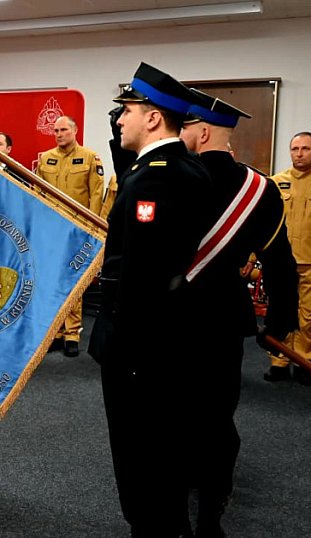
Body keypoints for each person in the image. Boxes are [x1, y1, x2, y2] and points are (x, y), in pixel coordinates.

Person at [87, 62, 214, 537]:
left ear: (153, 117)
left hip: (139, 347)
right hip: (162, 341)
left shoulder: (156, 179)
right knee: (160, 448)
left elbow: (142, 276)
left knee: (141, 450)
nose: (119, 120)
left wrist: (118, 346)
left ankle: (154, 527)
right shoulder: (175, 167)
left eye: (127, 111)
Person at [179, 89, 298, 536]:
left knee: (173, 409)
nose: (181, 134)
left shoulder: (171, 178)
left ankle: (177, 495)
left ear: (202, 131)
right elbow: (280, 263)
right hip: (224, 319)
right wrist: (280, 323)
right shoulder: (262, 189)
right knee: (217, 413)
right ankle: (213, 508)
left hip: (171, 318)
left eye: (185, 127)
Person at [36, 116, 105, 357]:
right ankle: (55, 333)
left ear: (74, 130)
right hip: (52, 230)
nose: (58, 134)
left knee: (73, 281)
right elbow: (38, 193)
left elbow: (96, 194)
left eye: (64, 129)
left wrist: (91, 227)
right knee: (52, 281)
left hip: (77, 230)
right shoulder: (45, 158)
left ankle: (72, 333)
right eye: (55, 130)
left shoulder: (89, 157)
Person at [264, 131, 311, 384]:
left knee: (307, 316)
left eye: (306, 148)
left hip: (309, 262)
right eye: (295, 149)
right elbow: (261, 223)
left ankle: (304, 361)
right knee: (280, 313)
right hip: (280, 262)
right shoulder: (275, 182)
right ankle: (279, 361)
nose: (300, 153)